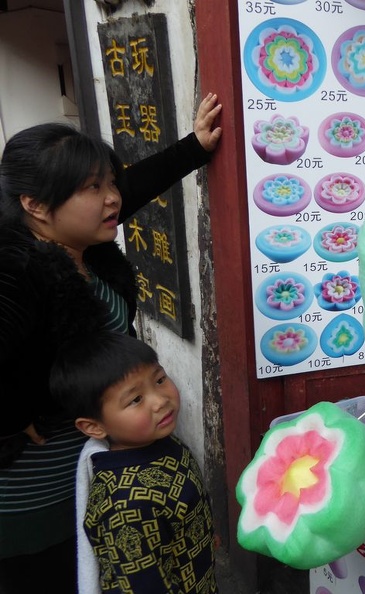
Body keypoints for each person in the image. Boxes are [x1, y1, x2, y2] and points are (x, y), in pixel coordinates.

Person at [0, 92, 222, 594]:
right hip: (31, 497)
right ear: (34, 205)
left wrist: (195, 147)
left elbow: (133, 187)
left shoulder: (79, 246)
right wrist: (11, 419)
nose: (112, 198)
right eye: (91, 188)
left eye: (108, 182)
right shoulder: (16, 272)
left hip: (88, 469)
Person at [50, 330, 217, 594]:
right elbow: (142, 584)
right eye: (136, 399)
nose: (160, 401)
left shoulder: (161, 441)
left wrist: (203, 534)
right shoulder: (124, 506)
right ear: (93, 427)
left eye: (160, 379)